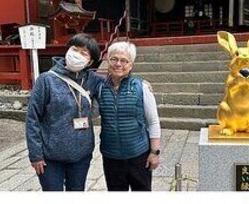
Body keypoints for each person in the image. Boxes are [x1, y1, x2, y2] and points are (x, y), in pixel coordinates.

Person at [26, 34, 102, 191]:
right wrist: (36, 155)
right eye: (75, 49)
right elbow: (33, 118)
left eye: (84, 53)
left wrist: (141, 83)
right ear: (67, 50)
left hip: (81, 155)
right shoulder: (46, 80)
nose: (77, 55)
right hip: (50, 157)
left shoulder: (93, 79)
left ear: (91, 61)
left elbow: (116, 81)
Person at [95, 41, 161, 191]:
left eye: (124, 60)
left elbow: (153, 122)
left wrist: (154, 152)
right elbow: (92, 113)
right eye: (114, 59)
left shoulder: (141, 87)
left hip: (138, 155)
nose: (118, 64)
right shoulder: (99, 88)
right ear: (107, 61)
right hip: (111, 156)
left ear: (131, 65)